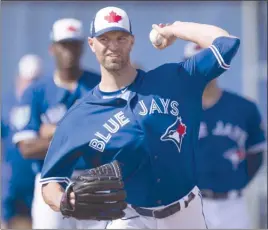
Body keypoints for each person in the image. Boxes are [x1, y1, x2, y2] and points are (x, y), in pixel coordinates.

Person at [40, 6, 240, 229]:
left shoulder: (173, 80)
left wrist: (174, 29)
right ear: (91, 44)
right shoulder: (79, 116)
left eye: (121, 38)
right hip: (129, 216)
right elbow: (50, 181)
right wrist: (65, 201)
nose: (113, 46)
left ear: (132, 42)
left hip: (186, 212)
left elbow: (226, 43)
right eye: (104, 39)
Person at [11, 18, 101, 229]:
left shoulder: (100, 85)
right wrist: (82, 134)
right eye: (63, 44)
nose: (69, 51)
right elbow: (27, 147)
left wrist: (54, 133)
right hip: (50, 180)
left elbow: (112, 138)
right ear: (52, 48)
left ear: (84, 47)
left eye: (74, 44)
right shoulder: (36, 91)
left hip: (95, 180)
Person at [183, 42, 267, 229]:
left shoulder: (243, 107)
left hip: (233, 205)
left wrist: (236, 181)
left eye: (209, 63)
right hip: (189, 205)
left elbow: (257, 153)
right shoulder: (176, 110)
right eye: (196, 64)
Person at [1, 54, 43, 229]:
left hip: (35, 177)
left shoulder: (44, 105)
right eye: (28, 80)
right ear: (19, 78)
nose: (30, 85)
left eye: (35, 81)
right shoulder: (6, 103)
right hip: (11, 179)